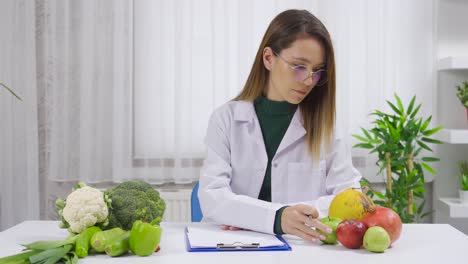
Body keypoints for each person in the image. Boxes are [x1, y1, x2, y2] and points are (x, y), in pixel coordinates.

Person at [198, 9, 361, 242]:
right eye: (299, 66)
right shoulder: (226, 119)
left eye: (317, 72)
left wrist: (252, 216)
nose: (308, 81)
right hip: (234, 245)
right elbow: (213, 197)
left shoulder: (327, 126)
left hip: (301, 248)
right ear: (268, 58)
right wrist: (275, 218)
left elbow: (350, 196)